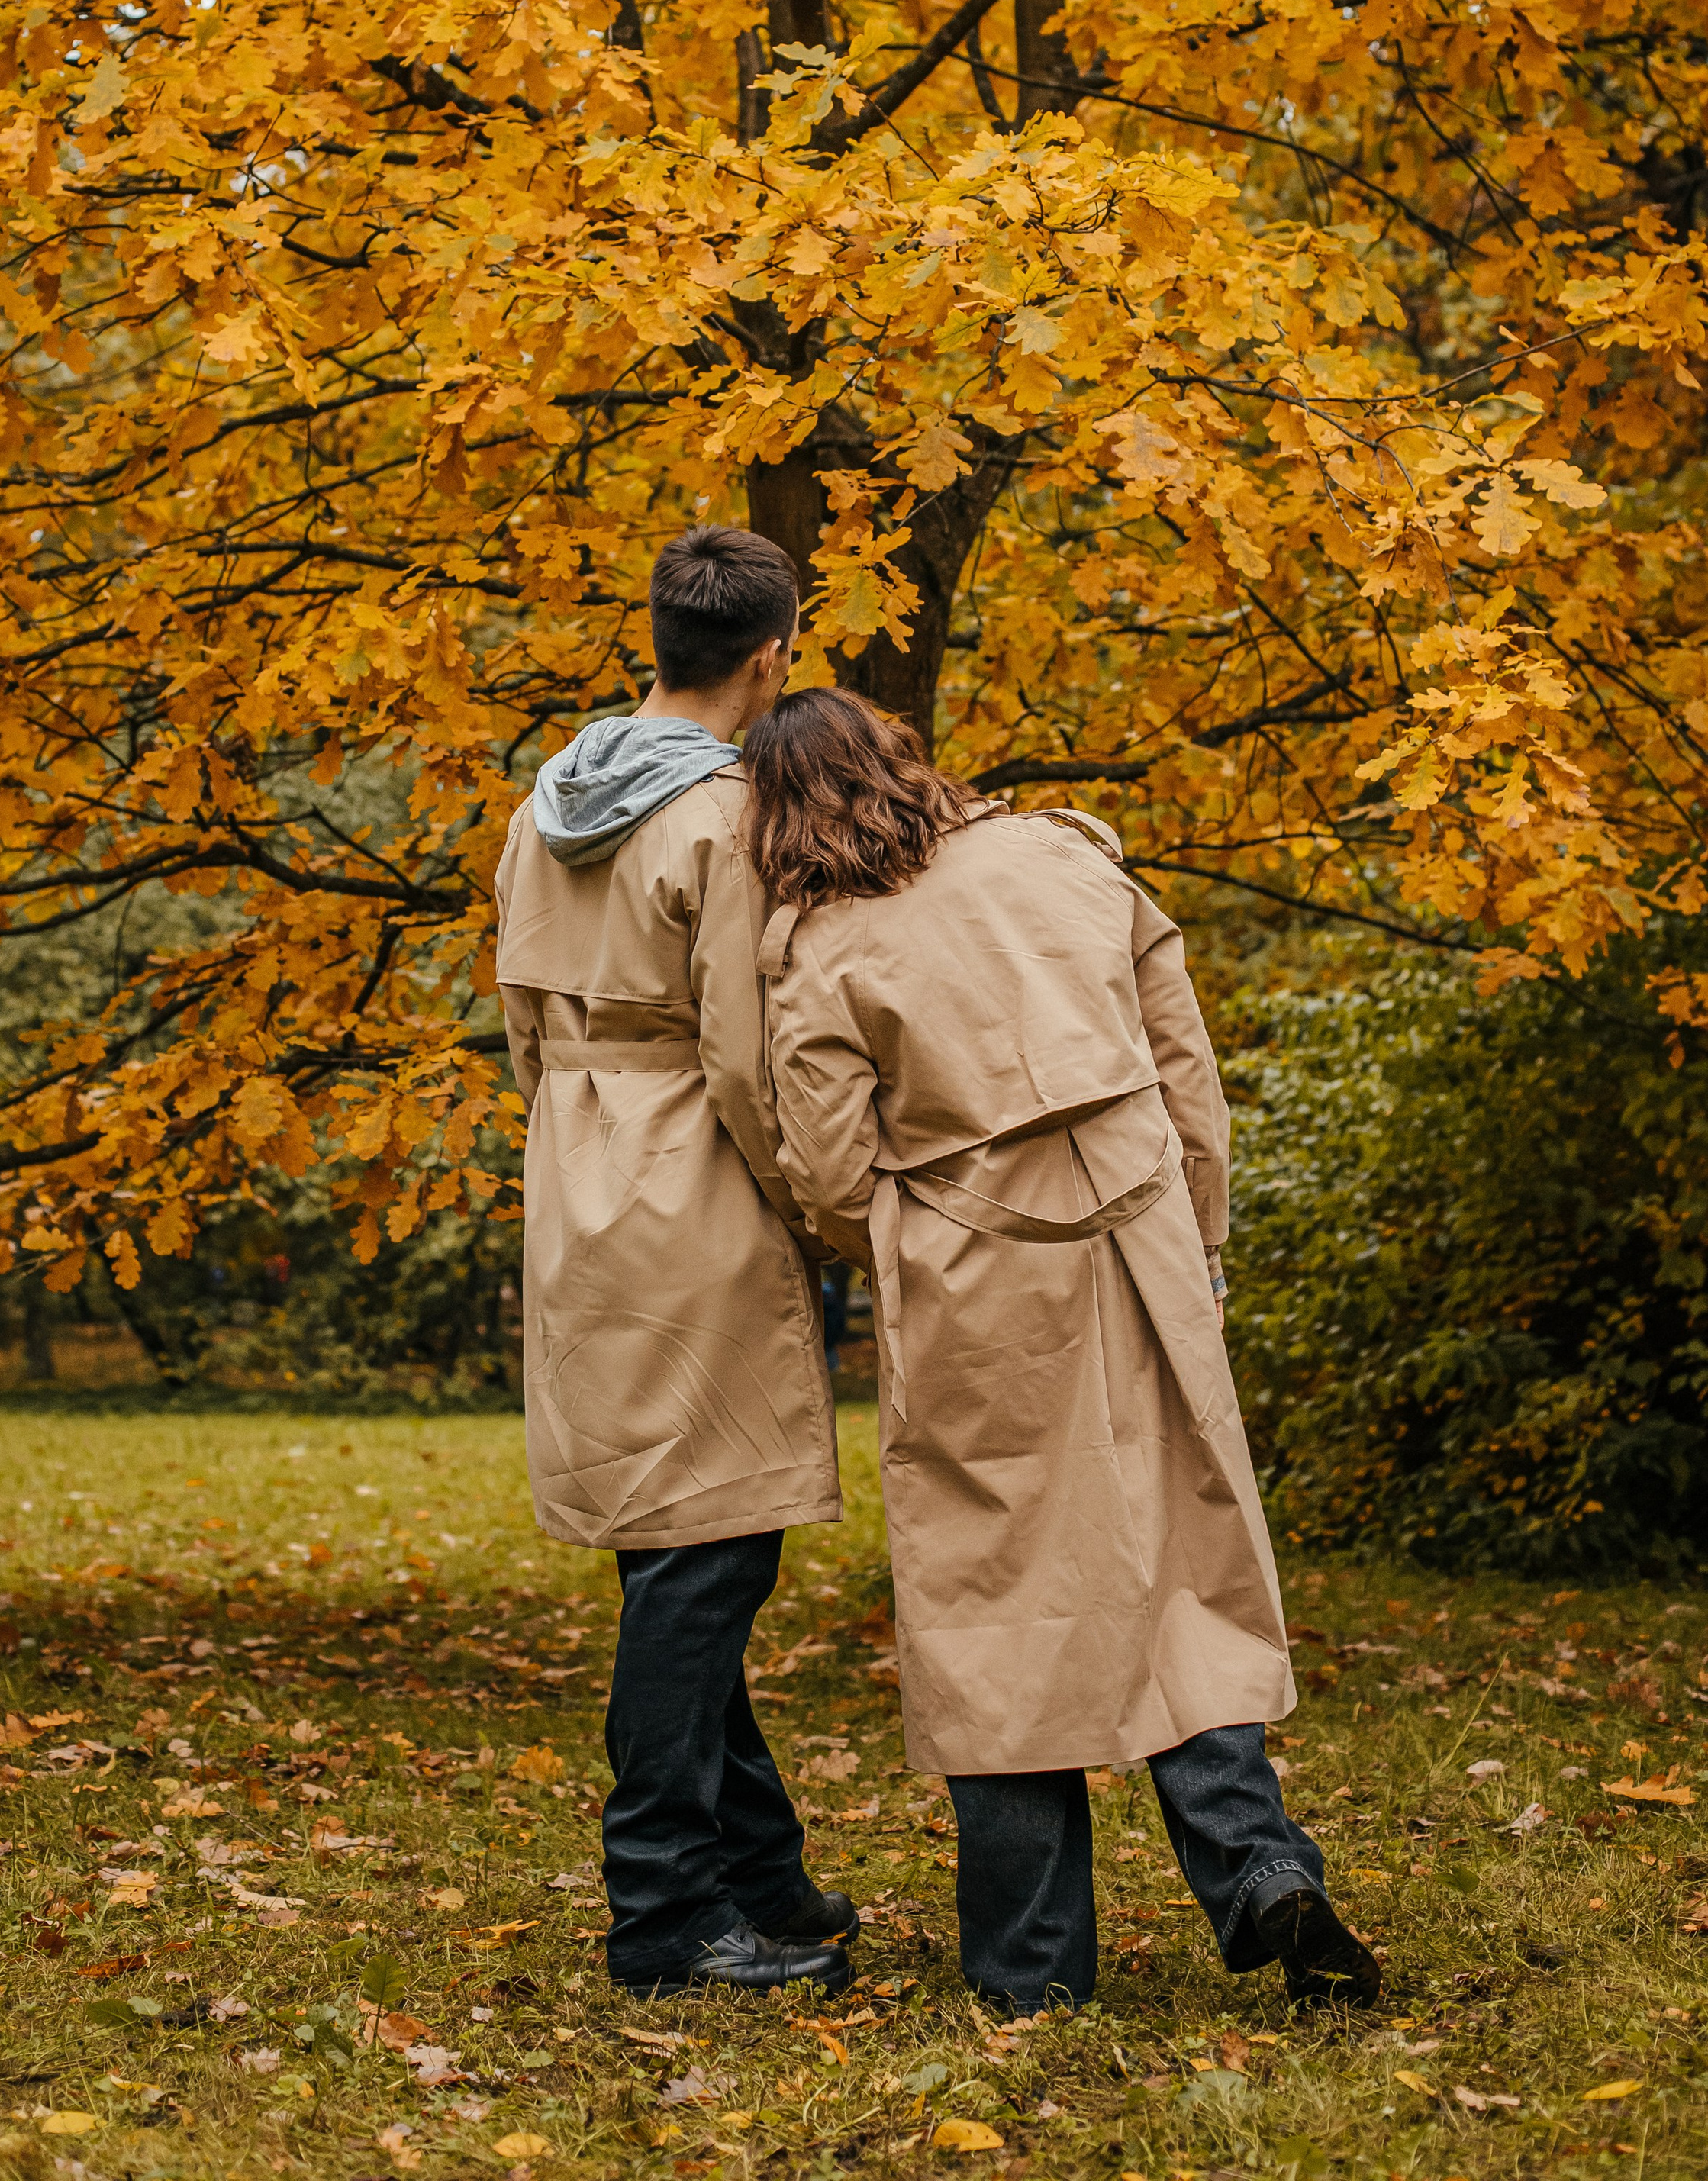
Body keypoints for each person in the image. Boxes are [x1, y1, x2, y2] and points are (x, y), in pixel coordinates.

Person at [742, 687, 1380, 2017]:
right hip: (1141, 1236)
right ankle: (1260, 1865)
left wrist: (909, 1254)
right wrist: (1194, 1229)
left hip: (977, 1273)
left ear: (779, 816)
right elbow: (1181, 1059)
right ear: (903, 761)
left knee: (1000, 1602)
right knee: (1179, 1559)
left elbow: (826, 1163)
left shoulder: (815, 947)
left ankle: (1033, 1968)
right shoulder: (1064, 853)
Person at [494, 528, 856, 2000]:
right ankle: (661, 1911)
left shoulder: (547, 797)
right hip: (691, 1171)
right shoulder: (722, 815)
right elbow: (747, 1055)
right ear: (772, 656)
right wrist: (818, 1209)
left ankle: (757, 1870)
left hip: (575, 1162)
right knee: (712, 1557)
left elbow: (521, 1009)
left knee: (674, 1549)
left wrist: (571, 1127)